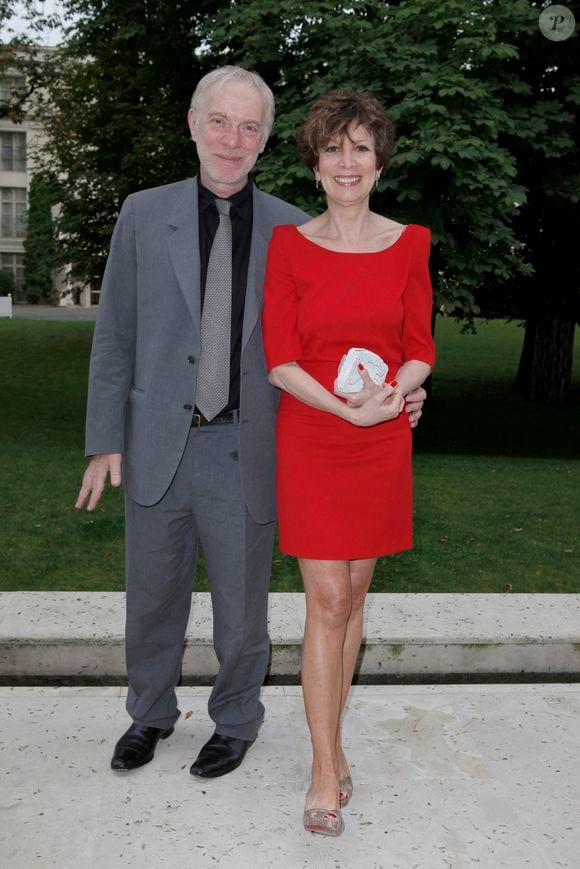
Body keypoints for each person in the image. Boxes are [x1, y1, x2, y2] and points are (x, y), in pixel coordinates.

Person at [76, 67, 426, 779]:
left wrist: (399, 393)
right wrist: (105, 438)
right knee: (152, 595)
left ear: (265, 141)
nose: (231, 140)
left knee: (243, 609)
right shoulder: (143, 214)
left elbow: (348, 334)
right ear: (193, 123)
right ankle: (149, 714)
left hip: (253, 442)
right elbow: (115, 332)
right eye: (219, 122)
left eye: (248, 127)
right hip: (156, 443)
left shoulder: (298, 228)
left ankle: (235, 721)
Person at [262, 90, 435, 836]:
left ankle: (330, 749)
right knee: (326, 602)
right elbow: (279, 357)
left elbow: (420, 346)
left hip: (381, 438)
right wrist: (346, 408)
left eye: (360, 147)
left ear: (379, 160)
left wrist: (394, 395)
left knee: (355, 598)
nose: (346, 161)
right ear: (315, 160)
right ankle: (324, 769)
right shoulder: (289, 247)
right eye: (333, 148)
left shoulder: (411, 243)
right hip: (313, 434)